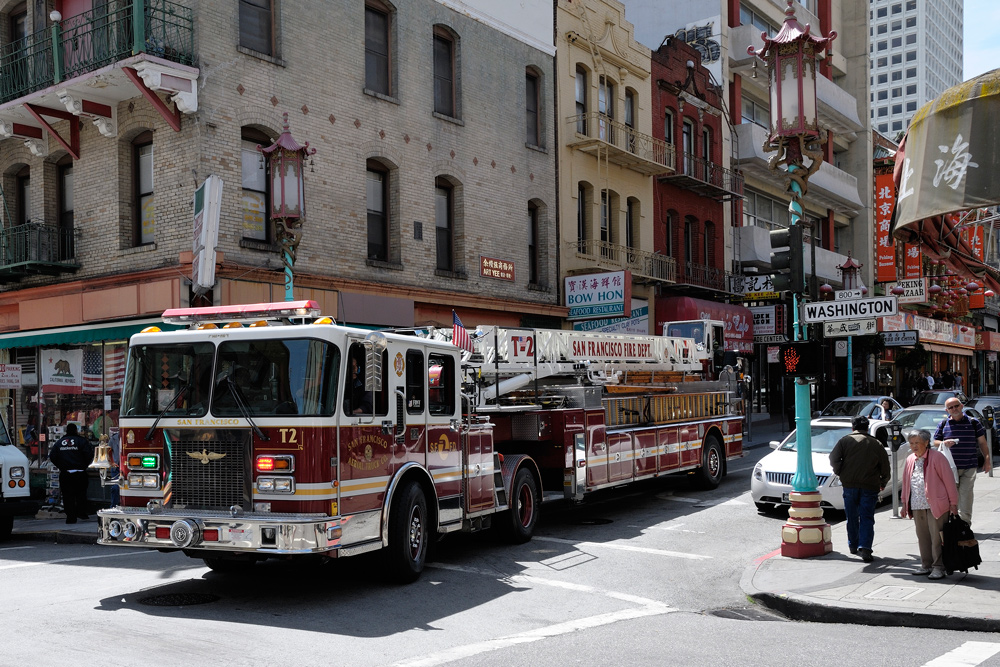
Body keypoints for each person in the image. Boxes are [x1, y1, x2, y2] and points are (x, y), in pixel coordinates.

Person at [829, 416, 891, 562]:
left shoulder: (844, 441)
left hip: (849, 485)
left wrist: (840, 472)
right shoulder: (876, 444)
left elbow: (833, 459)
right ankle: (866, 548)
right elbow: (885, 467)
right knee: (866, 517)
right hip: (870, 486)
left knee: (851, 516)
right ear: (867, 427)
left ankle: (853, 544)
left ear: (853, 427)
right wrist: (883, 482)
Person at [901, 429, 958, 579]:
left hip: (936, 505)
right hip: (917, 504)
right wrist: (904, 503)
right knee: (923, 536)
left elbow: (949, 482)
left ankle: (938, 567)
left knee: (937, 537)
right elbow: (906, 483)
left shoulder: (937, 457)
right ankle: (926, 565)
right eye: (911, 443)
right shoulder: (910, 459)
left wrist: (953, 503)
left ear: (926, 443)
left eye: (917, 443)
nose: (913, 446)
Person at [934, 398, 992, 525]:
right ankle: (953, 524)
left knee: (966, 496)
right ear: (947, 410)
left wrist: (987, 459)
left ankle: (965, 525)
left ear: (961, 406)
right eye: (951, 407)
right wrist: (944, 443)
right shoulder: (943, 424)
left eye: (956, 406)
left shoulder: (973, 422)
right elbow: (935, 441)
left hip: (969, 466)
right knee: (952, 498)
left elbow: (982, 443)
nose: (954, 409)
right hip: (949, 468)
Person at [49, 423, 95, 524]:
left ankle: (70, 517)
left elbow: (52, 456)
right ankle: (81, 513)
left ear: (66, 431)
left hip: (66, 473)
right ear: (76, 430)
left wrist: (61, 466)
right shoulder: (82, 441)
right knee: (81, 494)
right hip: (80, 472)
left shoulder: (60, 442)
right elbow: (89, 454)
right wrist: (84, 465)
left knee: (67, 496)